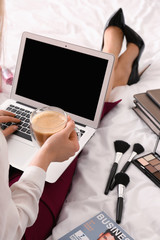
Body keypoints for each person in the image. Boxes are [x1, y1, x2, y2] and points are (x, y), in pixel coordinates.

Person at [0, 4, 146, 240]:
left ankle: (113, 65)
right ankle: (116, 69)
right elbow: (11, 229)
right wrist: (45, 157)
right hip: (20, 227)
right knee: (70, 131)